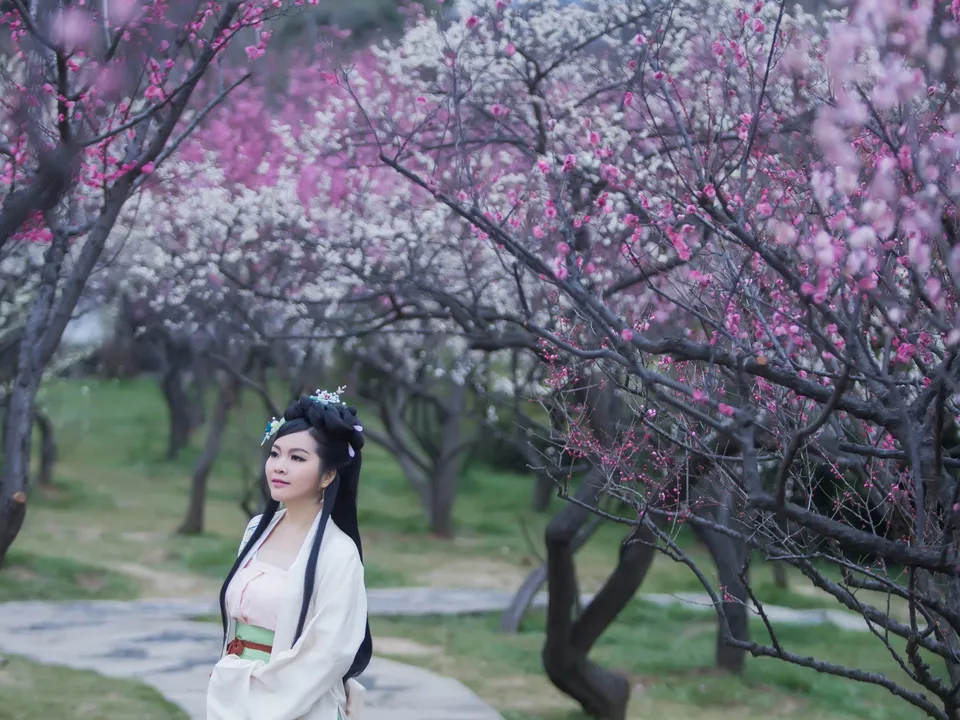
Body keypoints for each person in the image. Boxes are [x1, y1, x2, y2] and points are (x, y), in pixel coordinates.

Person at [207, 388, 372, 720]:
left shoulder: (338, 553)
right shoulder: (257, 529)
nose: (279, 467)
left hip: (296, 704)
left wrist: (262, 700)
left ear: (328, 475)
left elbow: (328, 653)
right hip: (235, 694)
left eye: (297, 458)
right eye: (275, 454)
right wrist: (232, 680)